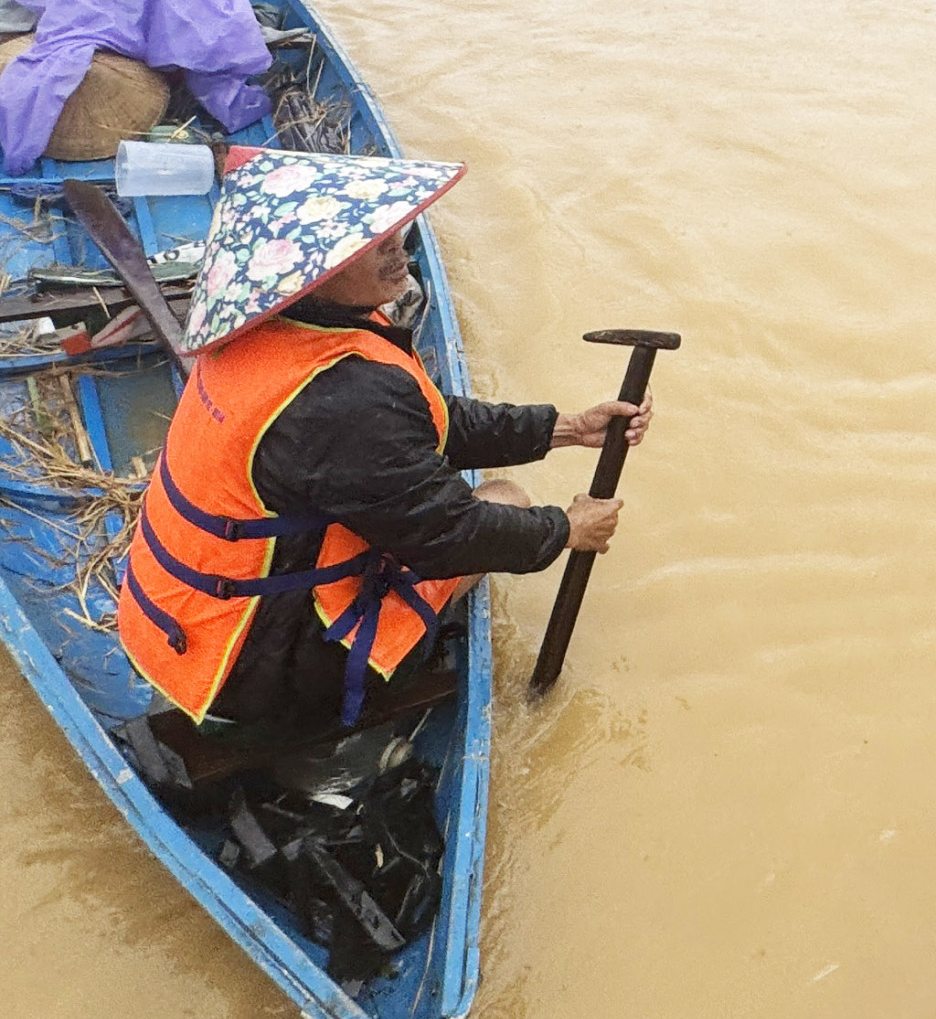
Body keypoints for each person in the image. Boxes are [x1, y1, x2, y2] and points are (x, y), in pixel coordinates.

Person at [117, 147, 643, 735]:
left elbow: (433, 422)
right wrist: (567, 529)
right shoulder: (343, 399)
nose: (396, 245)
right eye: (368, 240)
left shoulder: (278, 329)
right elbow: (449, 535)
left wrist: (566, 428)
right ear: (315, 270)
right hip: (252, 674)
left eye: (392, 230)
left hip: (174, 618)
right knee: (507, 501)